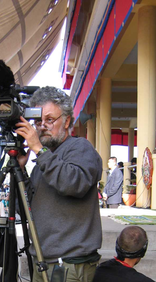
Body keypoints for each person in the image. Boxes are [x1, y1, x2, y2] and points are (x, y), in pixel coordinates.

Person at [15, 86, 103, 282]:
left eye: (50, 119)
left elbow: (74, 183)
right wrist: (21, 169)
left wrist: (38, 149)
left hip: (70, 264)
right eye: (38, 121)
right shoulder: (45, 158)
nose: (42, 126)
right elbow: (28, 207)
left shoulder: (80, 147)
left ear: (67, 121)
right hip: (44, 259)